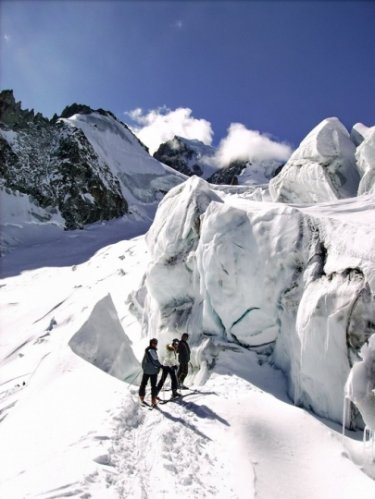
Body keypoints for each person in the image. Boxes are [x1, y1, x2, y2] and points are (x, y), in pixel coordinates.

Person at [139, 338, 162, 407]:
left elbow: (143, 361)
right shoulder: (152, 351)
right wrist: (161, 366)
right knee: (153, 386)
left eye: (156, 343)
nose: (155, 344)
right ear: (151, 343)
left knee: (143, 384)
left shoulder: (147, 350)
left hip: (146, 371)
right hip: (153, 372)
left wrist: (145, 368)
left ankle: (141, 397)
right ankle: (153, 401)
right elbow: (155, 361)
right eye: (154, 343)